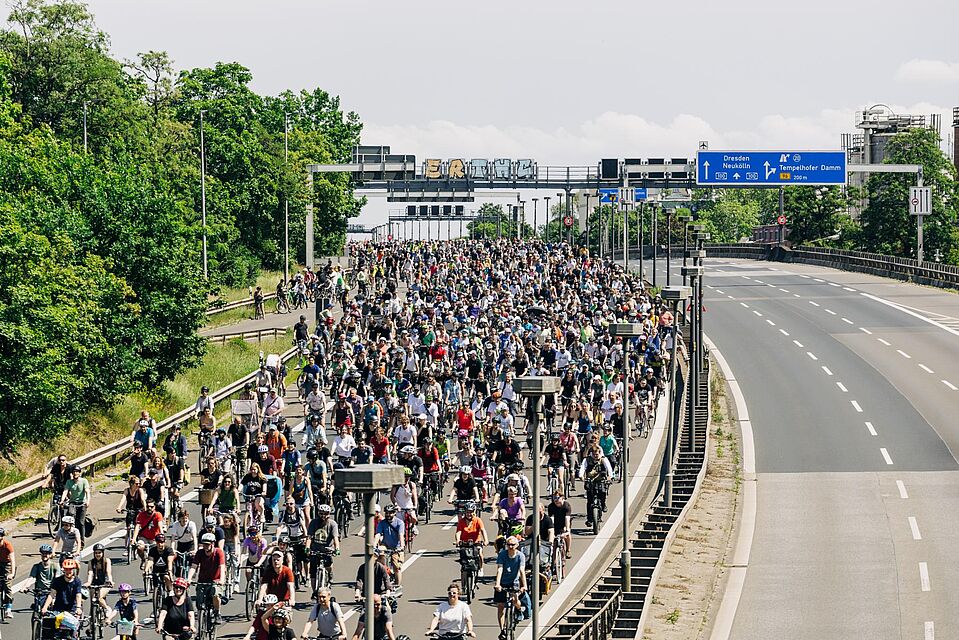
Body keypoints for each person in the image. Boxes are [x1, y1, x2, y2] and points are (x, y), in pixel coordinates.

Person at [494, 536, 527, 639]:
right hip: (503, 582)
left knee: (515, 599)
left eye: (513, 545)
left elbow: (522, 571)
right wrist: (497, 584)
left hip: (514, 582)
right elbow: (500, 569)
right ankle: (502, 630)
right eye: (509, 545)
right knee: (500, 606)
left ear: (517, 545)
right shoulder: (502, 554)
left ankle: (519, 609)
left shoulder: (520, 556)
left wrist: (524, 585)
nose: (511, 547)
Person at [187, 533, 225, 623]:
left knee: (215, 594)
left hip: (215, 581)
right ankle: (201, 626)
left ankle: (217, 613)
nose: (206, 546)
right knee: (199, 603)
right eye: (204, 544)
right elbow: (193, 566)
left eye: (208, 544)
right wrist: (188, 578)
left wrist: (222, 580)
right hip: (202, 580)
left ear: (213, 544)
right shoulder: (200, 552)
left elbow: (222, 567)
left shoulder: (218, 552)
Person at [373, 505, 405, 586]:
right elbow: (378, 534)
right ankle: (384, 570)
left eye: (390, 513)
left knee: (396, 566)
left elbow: (401, 535)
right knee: (378, 556)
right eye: (387, 513)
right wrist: (374, 545)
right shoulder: (382, 523)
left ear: (394, 513)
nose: (388, 515)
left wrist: (401, 547)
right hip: (385, 544)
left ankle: (397, 585)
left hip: (396, 546)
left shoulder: (399, 523)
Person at [61, 465, 91, 545]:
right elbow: (65, 491)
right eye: (74, 472)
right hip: (73, 503)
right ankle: (71, 538)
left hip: (82, 503)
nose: (75, 473)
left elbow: (87, 491)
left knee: (80, 522)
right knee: (71, 517)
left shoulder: (84, 481)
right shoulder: (69, 482)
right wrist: (62, 500)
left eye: (77, 472)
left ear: (79, 473)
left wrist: (88, 501)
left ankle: (81, 541)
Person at [133, 499, 165, 567]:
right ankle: (143, 559)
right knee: (139, 547)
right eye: (148, 506)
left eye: (152, 507)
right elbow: (137, 527)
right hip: (143, 537)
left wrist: (162, 537)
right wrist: (134, 539)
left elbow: (160, 526)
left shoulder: (158, 515)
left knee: (157, 553)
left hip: (154, 538)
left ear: (154, 507)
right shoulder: (141, 515)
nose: (149, 508)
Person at [84, 543, 114, 614]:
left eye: (99, 553)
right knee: (92, 601)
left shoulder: (107, 561)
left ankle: (107, 608)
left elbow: (108, 572)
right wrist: (88, 582)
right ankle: (92, 619)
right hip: (94, 584)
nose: (98, 554)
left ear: (103, 553)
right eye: (96, 553)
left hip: (105, 584)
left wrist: (110, 580)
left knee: (99, 597)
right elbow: (90, 572)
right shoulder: (91, 562)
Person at [0, 529, 14, 617]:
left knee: (7, 586)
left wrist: (11, 573)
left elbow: (13, 560)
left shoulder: (7, 545)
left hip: (6, 564)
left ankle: (8, 609)